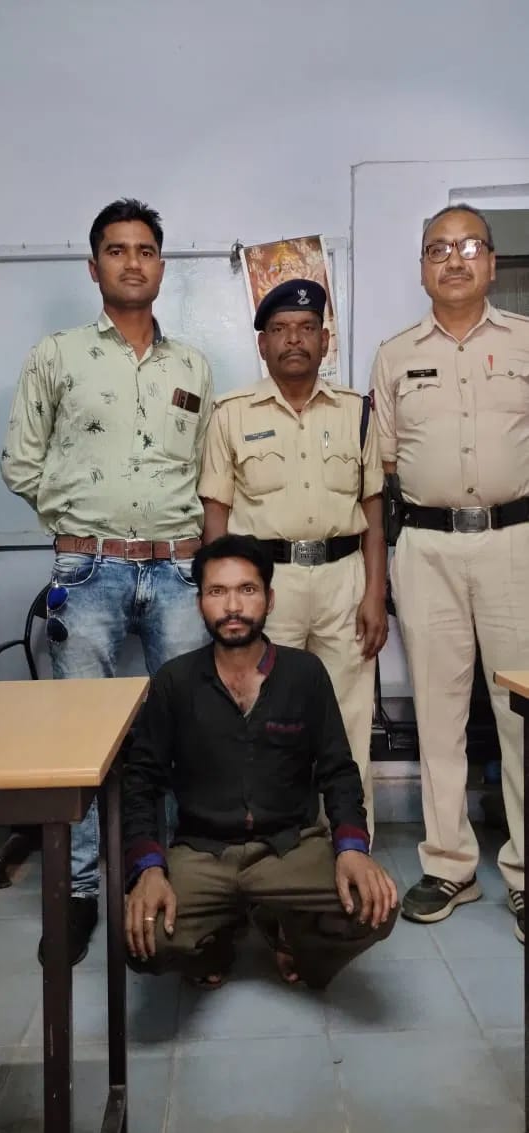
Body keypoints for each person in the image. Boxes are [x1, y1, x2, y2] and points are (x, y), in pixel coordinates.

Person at [1, 198, 213, 964]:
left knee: (187, 725)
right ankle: (83, 890)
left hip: (179, 570)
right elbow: (20, 461)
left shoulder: (191, 367)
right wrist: (73, 523)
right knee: (81, 739)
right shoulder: (56, 355)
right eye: (117, 250)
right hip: (86, 570)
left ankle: (181, 880)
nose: (133, 262)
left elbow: (206, 469)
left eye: (145, 250)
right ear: (94, 268)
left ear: (162, 265)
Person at [123, 534, 398, 989]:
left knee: (377, 908)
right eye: (217, 591)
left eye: (247, 590)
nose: (233, 605)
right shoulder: (175, 682)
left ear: (269, 600)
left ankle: (289, 935)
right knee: (142, 941)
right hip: (203, 852)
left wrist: (352, 849)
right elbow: (142, 782)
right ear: (200, 603)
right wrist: (148, 869)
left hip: (290, 847)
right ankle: (218, 940)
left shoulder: (304, 674)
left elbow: (338, 770)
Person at [371, 203, 529, 941]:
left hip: (515, 543)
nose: (454, 259)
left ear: (491, 263)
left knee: (522, 711)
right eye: (439, 248)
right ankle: (450, 866)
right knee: (437, 711)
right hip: (426, 547)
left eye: (469, 247)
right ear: (422, 268)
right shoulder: (394, 355)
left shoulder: (526, 341)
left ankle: (526, 872)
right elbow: (385, 465)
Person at [198, 279, 387, 836]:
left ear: (325, 341)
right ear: (263, 345)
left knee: (349, 720)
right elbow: (216, 517)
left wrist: (376, 592)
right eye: (280, 330)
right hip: (266, 586)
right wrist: (223, 598)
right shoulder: (231, 414)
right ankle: (272, 847)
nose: (294, 339)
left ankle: (351, 847)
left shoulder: (357, 412)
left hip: (344, 580)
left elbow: (374, 512)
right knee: (267, 717)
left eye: (306, 328)